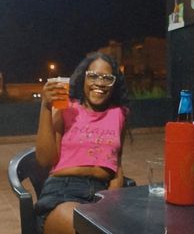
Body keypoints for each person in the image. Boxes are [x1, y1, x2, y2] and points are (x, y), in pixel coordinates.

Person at [35, 52, 129, 234]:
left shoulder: (119, 114)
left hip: (103, 192)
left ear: (114, 83)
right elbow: (45, 160)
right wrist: (46, 107)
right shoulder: (66, 108)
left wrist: (116, 188)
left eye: (107, 78)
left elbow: (117, 160)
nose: (100, 83)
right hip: (64, 191)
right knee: (88, 228)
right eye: (93, 75)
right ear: (82, 79)